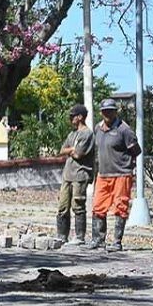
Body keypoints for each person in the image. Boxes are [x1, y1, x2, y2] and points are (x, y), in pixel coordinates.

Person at [87, 98, 141, 252]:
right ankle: (98, 240)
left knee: (120, 207)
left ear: (115, 112)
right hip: (103, 174)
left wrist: (127, 165)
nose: (107, 114)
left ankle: (117, 241)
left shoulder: (124, 130)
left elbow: (136, 150)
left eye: (110, 111)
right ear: (101, 113)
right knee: (98, 206)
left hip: (121, 174)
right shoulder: (98, 128)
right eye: (105, 111)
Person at [55, 104, 94, 245]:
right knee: (62, 206)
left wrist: (72, 150)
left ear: (80, 117)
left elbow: (78, 154)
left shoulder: (87, 134)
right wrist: (72, 149)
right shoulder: (72, 134)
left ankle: (79, 236)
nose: (70, 119)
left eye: (73, 116)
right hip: (68, 174)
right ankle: (61, 235)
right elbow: (61, 150)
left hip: (80, 174)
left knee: (78, 205)